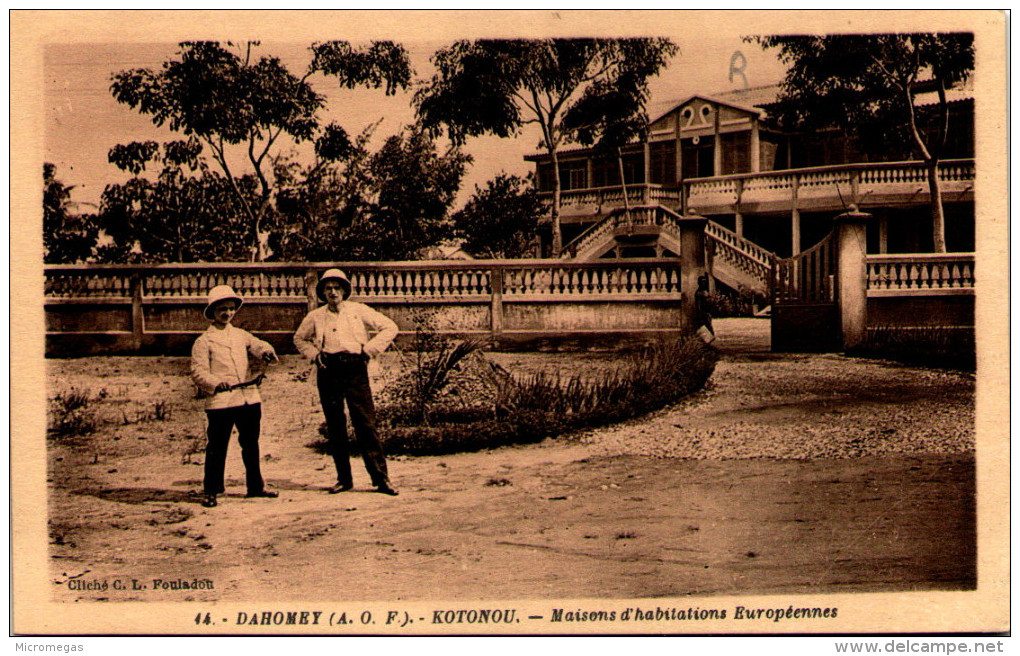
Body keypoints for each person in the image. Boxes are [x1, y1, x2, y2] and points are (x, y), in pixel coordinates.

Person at [294, 269, 400, 496]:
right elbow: (299, 339)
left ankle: (381, 479)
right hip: (328, 370)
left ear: (345, 290)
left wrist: (369, 350)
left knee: (365, 423)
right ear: (322, 292)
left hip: (355, 369)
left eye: (337, 287)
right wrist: (314, 355)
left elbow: (390, 327)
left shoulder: (357, 310)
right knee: (335, 425)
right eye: (328, 288)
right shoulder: (316, 316)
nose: (333, 292)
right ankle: (344, 479)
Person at [191, 285, 279, 508]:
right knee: (217, 445)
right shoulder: (204, 341)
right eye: (222, 309)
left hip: (248, 396)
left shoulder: (240, 335)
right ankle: (212, 490)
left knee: (251, 443)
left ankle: (255, 487)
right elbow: (198, 372)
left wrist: (266, 351)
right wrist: (213, 382)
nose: (227, 314)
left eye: (231, 309)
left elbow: (257, 345)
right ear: (212, 312)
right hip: (221, 400)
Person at [694, 274, 715, 342]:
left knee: (709, 331)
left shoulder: (705, 291)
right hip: (703, 314)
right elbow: (698, 305)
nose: (704, 283)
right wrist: (701, 315)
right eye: (702, 281)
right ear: (699, 283)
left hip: (707, 313)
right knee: (707, 331)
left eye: (705, 281)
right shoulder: (699, 293)